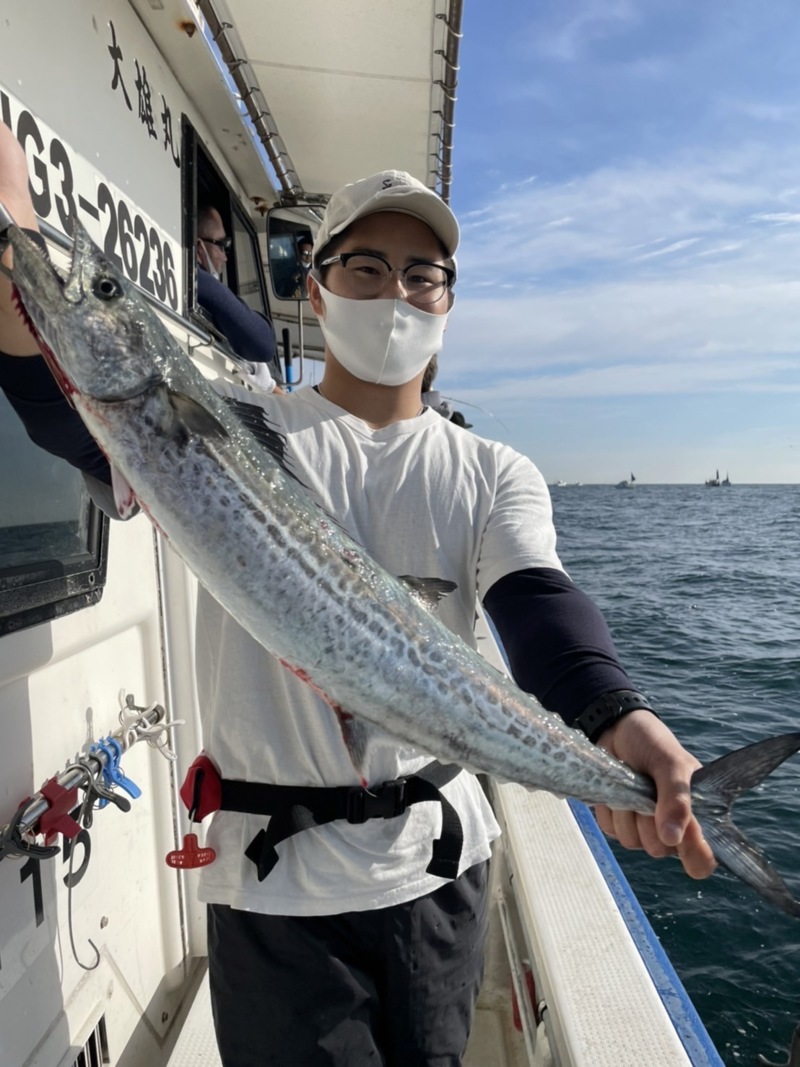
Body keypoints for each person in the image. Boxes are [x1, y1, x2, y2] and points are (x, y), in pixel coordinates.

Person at [0, 130, 715, 1066]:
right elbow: (52, 392)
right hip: (272, 895)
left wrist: (620, 718)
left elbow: (540, 608)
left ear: (449, 303)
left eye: (424, 275)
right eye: (367, 266)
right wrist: (18, 231)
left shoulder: (492, 469)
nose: (396, 292)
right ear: (315, 286)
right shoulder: (235, 415)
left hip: (439, 873)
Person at [196, 204, 284, 386]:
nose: (225, 257)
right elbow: (262, 344)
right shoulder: (195, 278)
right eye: (222, 245)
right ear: (199, 247)